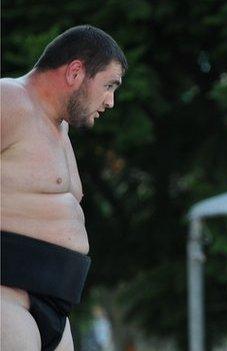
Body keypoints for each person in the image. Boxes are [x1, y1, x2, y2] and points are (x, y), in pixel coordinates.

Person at [1, 25, 127, 351]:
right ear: (75, 72)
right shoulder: (10, 99)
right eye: (108, 86)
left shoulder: (60, 128)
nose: (111, 101)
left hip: (55, 305)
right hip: (8, 295)